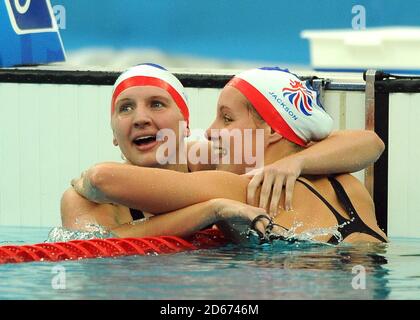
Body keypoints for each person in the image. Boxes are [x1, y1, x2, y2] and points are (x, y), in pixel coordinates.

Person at [65, 65, 386, 244]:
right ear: (113, 132)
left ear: (183, 124)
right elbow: (372, 143)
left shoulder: (240, 187)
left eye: (227, 118)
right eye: (126, 108)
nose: (212, 130)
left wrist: (215, 207)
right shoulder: (349, 185)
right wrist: (213, 210)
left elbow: (101, 177)